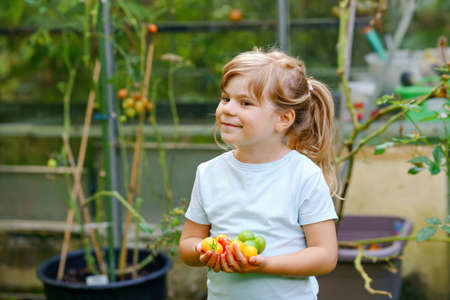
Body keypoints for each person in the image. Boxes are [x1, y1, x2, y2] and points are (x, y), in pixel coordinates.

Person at [178, 48, 338, 300]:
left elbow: (325, 255)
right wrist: (205, 251)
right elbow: (187, 245)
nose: (228, 109)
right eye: (225, 98)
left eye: (245, 103)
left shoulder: (303, 175)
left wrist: (265, 264)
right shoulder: (208, 173)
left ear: (283, 119)